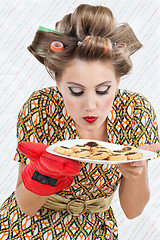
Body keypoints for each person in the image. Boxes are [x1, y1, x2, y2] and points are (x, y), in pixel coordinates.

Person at [0, 4, 160, 240]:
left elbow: (133, 211)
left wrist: (135, 172)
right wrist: (44, 173)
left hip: (97, 231)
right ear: (58, 83)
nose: (91, 106)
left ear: (117, 81)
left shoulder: (135, 111)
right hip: (28, 229)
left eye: (103, 90)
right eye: (76, 91)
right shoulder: (41, 106)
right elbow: (26, 207)